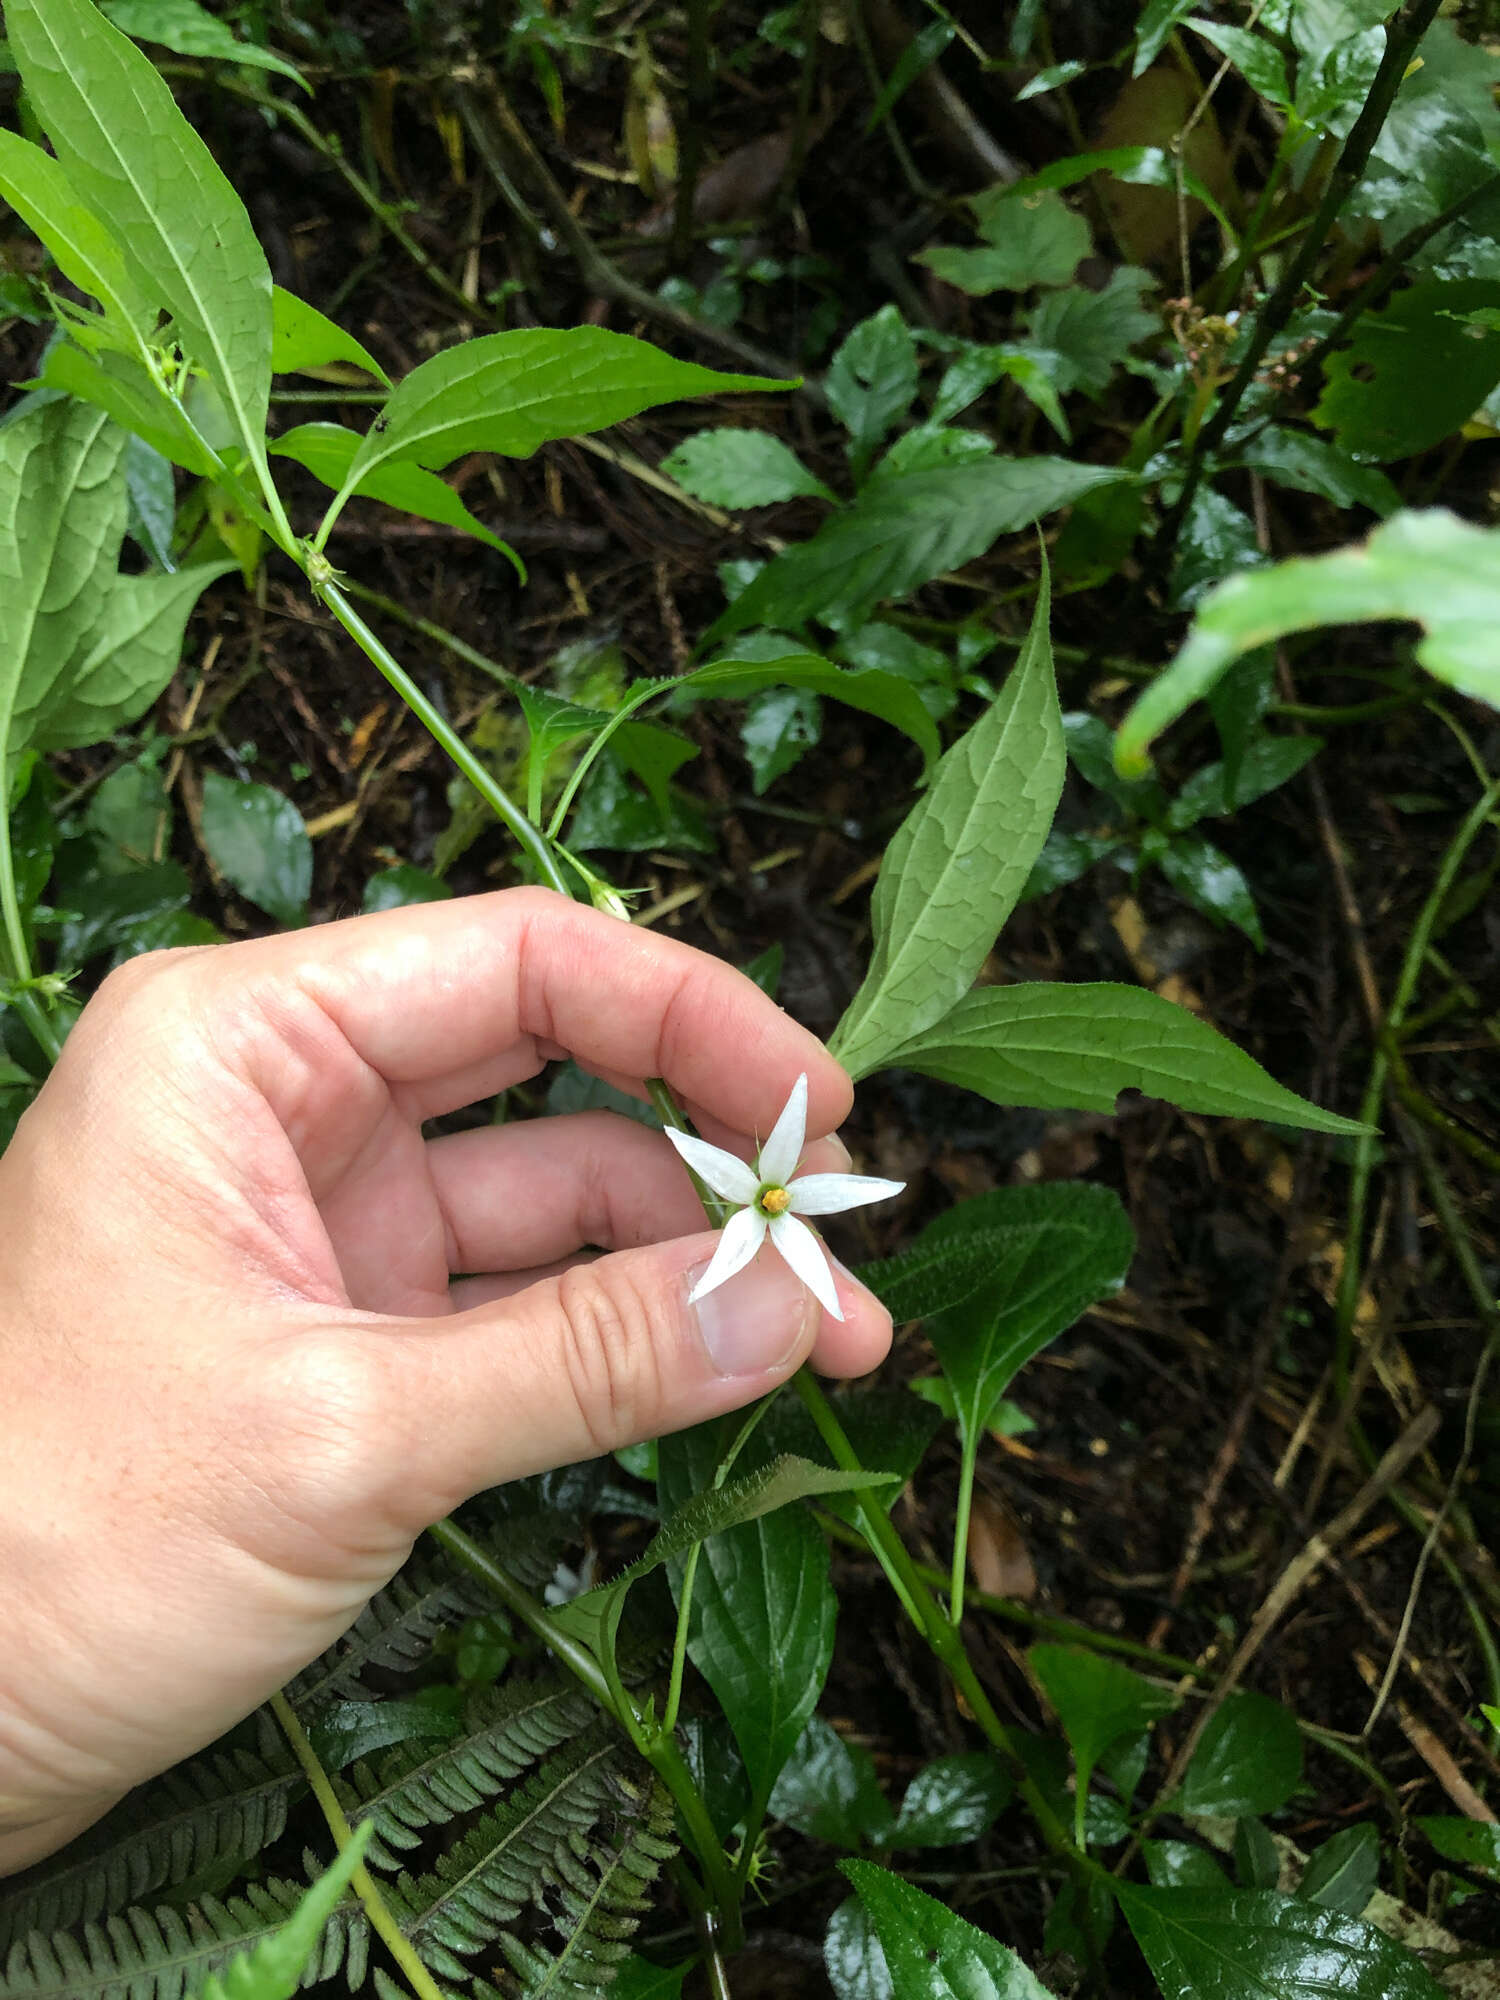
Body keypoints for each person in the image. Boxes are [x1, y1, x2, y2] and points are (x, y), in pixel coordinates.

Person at [0, 888, 893, 1876]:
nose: (774, 1196)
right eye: (770, 1194)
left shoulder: (767, 1197)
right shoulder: (749, 1203)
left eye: (776, 1196)